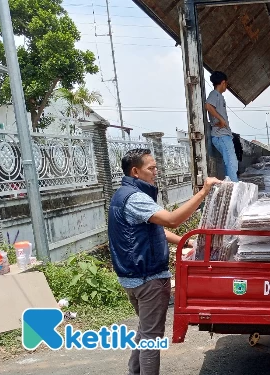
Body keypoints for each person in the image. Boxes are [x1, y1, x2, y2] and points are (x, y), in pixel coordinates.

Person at [108, 149, 221, 375]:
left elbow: (153, 229)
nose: (155, 173)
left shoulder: (122, 194)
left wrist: (185, 243)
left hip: (133, 277)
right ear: (135, 171)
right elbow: (172, 220)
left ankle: (134, 372)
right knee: (151, 337)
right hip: (147, 278)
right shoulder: (135, 198)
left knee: (144, 331)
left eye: (156, 167)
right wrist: (203, 192)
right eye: (151, 168)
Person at [205, 71, 239, 182]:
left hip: (223, 135)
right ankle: (234, 188)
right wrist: (221, 120)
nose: (226, 87)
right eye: (226, 84)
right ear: (223, 82)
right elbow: (208, 106)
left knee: (228, 162)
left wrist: (221, 120)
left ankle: (230, 185)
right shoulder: (214, 94)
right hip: (221, 135)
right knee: (232, 162)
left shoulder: (219, 96)